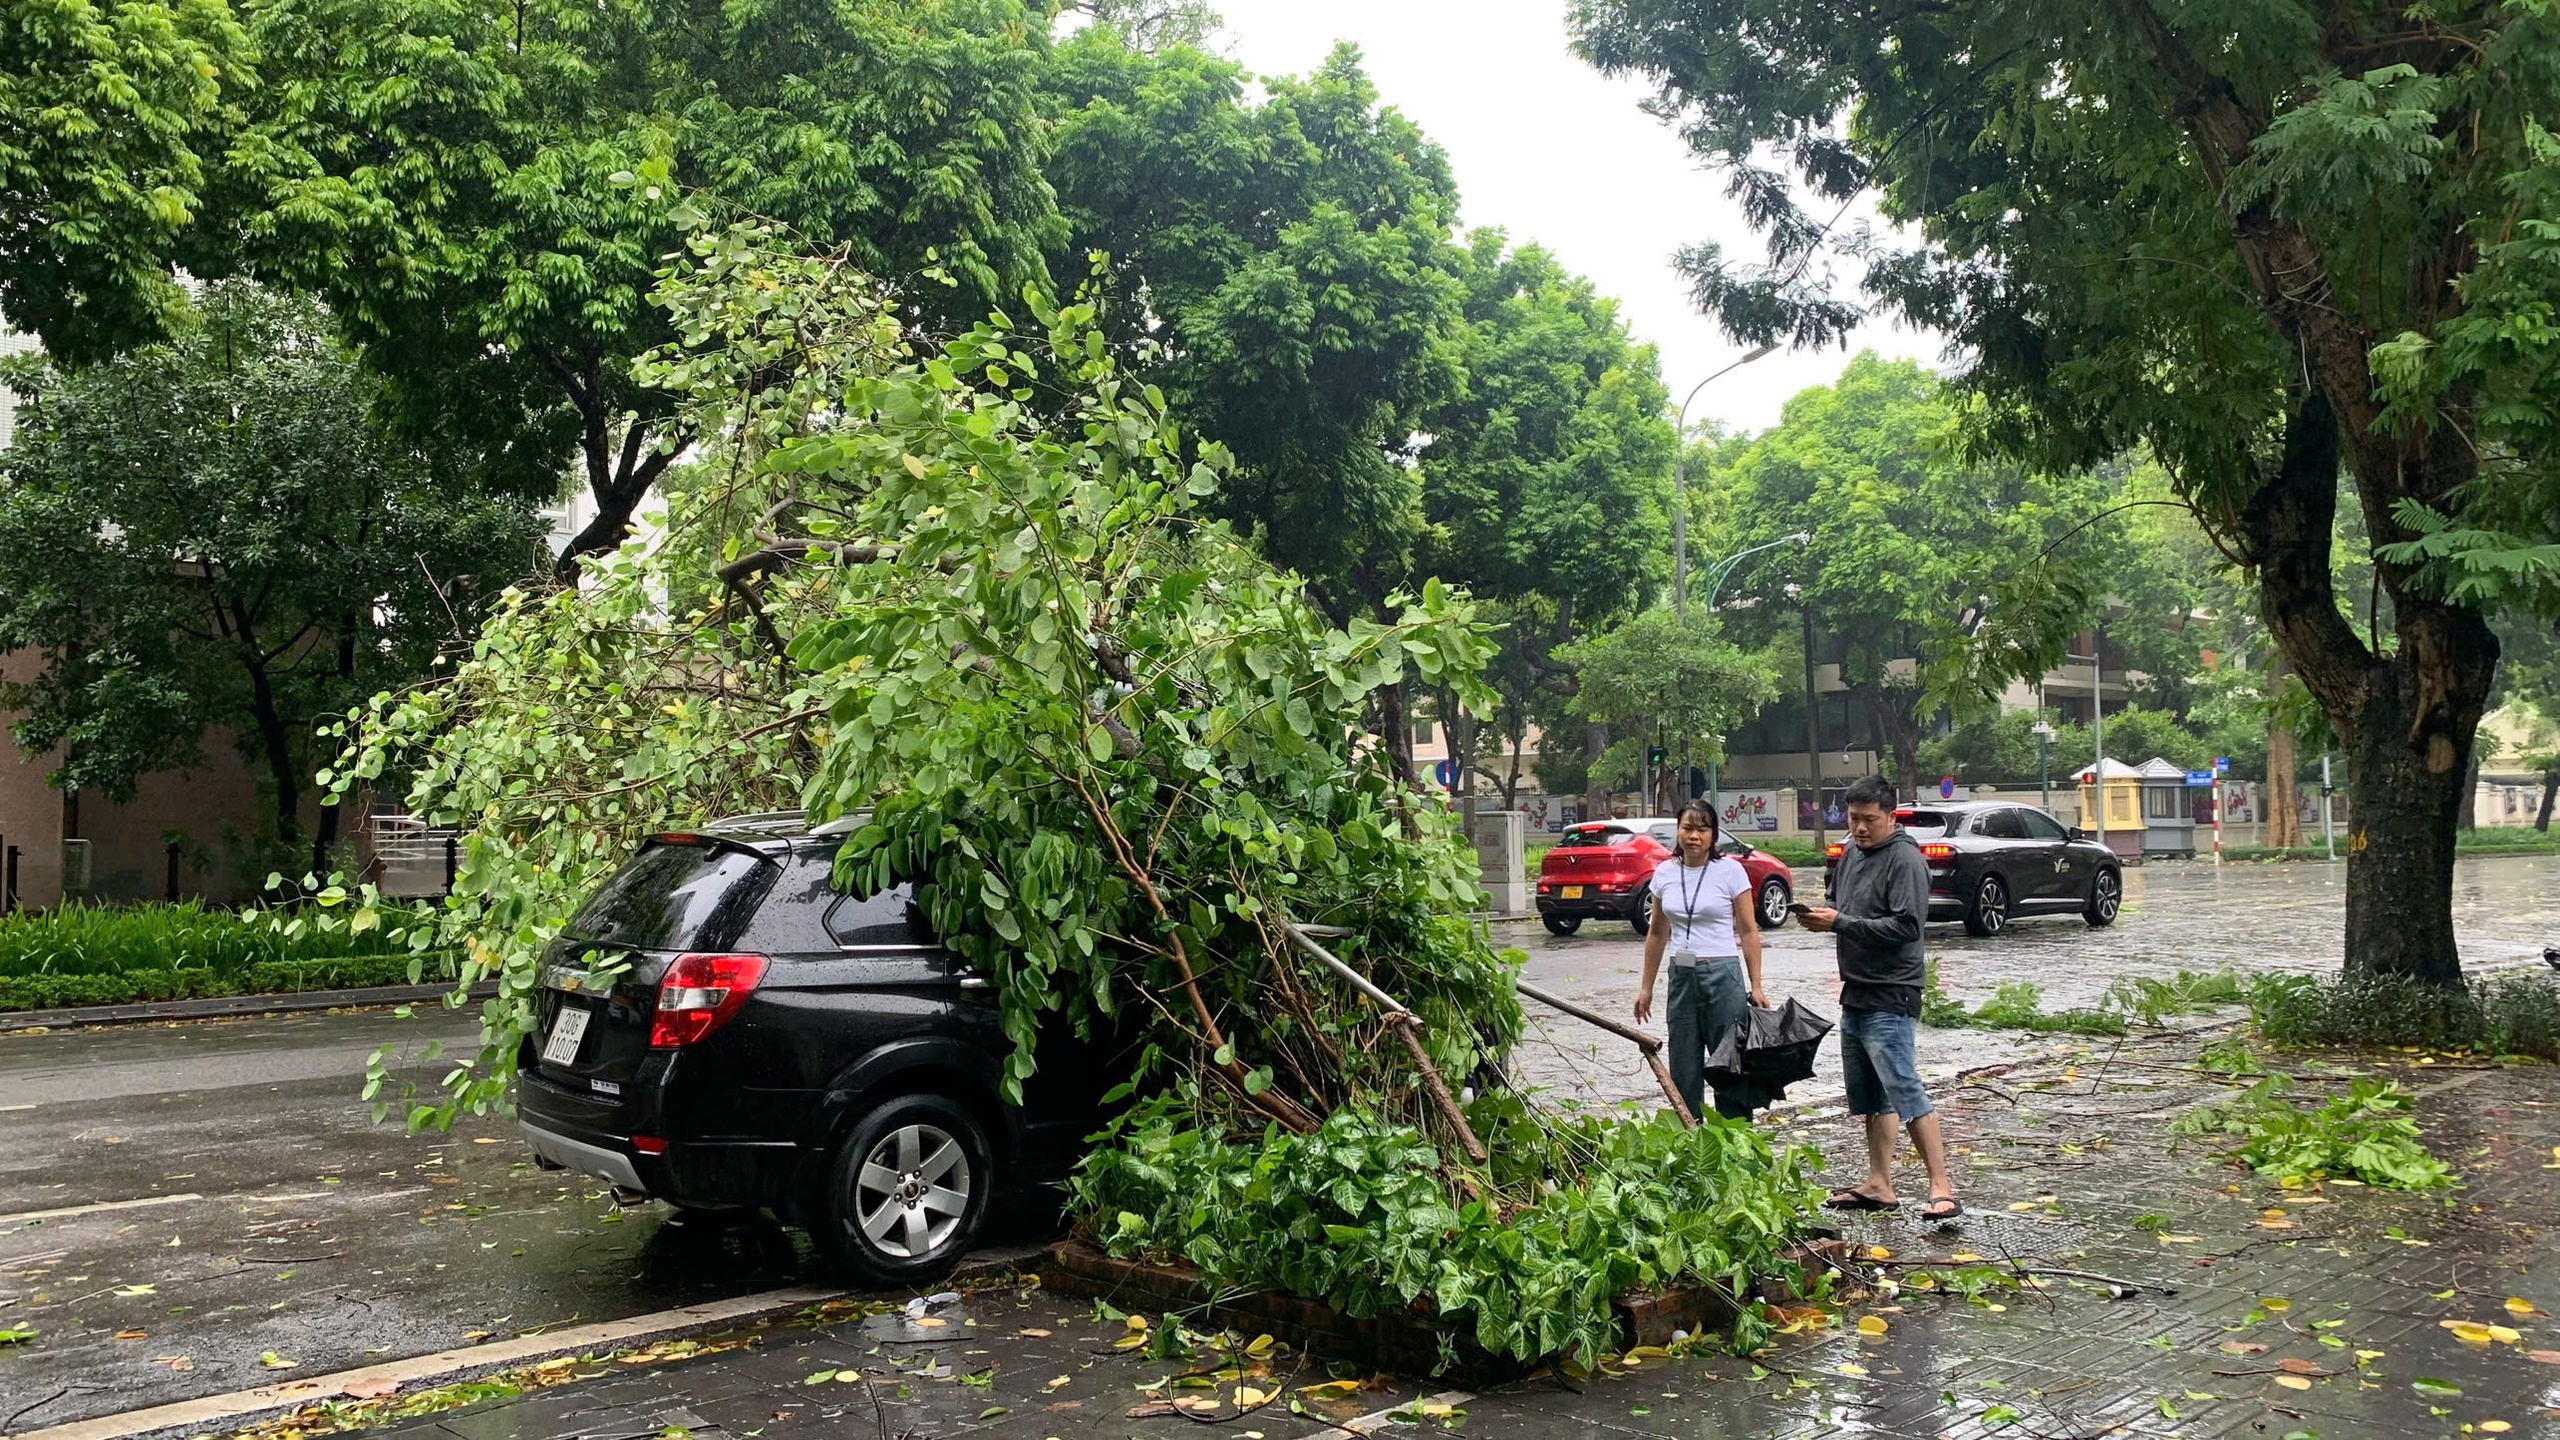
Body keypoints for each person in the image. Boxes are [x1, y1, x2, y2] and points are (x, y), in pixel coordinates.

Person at [1802, 776, 1960, 1222]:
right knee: (1872, 1094)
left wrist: (1841, 923)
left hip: (1894, 990)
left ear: (1890, 816)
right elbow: (1841, 903)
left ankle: (1941, 1187)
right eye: (1854, 819)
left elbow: (1908, 927)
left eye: (1870, 820)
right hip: (1856, 988)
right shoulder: (1850, 854)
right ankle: (1879, 1183)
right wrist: (1823, 916)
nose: (1860, 828)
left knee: (1905, 1087)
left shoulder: (1905, 859)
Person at [1632, 799, 1771, 1120]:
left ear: (1714, 834)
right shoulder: (1665, 873)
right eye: (1687, 828)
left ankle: (1737, 1142)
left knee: (1729, 1062)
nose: (1694, 836)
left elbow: (1749, 931)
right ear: (1678, 831)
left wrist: (1757, 984)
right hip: (1681, 976)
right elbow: (1656, 934)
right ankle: (1690, 1140)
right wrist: (1646, 987)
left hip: (1723, 975)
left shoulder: (1731, 871)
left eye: (1702, 829)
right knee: (1683, 1064)